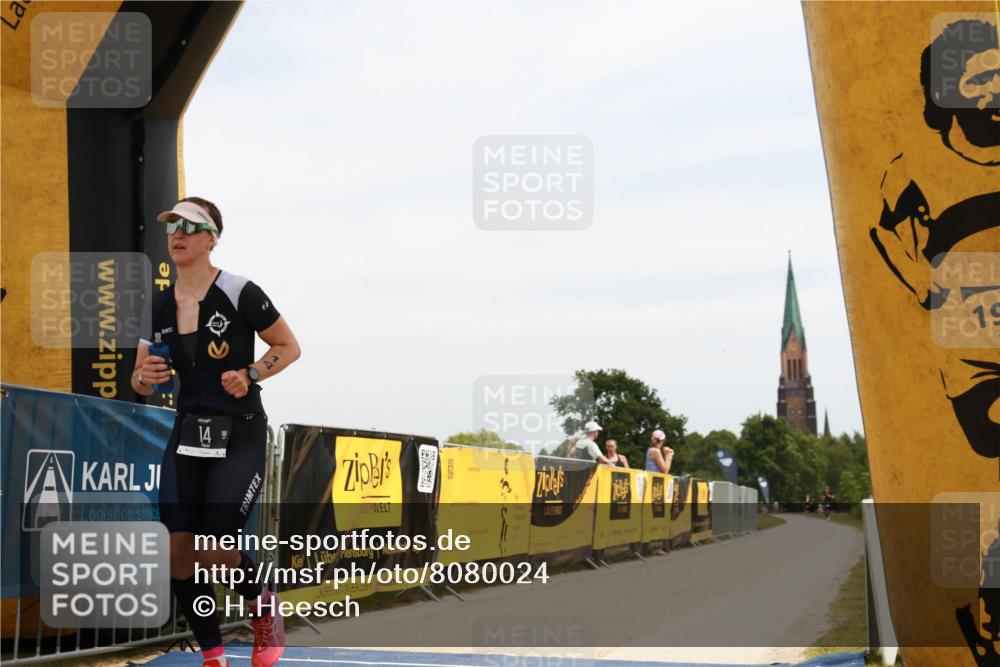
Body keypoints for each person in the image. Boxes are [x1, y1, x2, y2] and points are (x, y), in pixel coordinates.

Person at [132, 197, 301, 667]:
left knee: (215, 550)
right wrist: (146, 375)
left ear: (211, 239)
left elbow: (288, 346)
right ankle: (213, 653)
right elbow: (137, 379)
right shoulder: (158, 304)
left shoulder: (240, 289)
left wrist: (250, 372)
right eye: (171, 226)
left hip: (240, 431)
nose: (177, 234)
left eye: (190, 226)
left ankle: (263, 605)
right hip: (188, 432)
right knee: (179, 554)